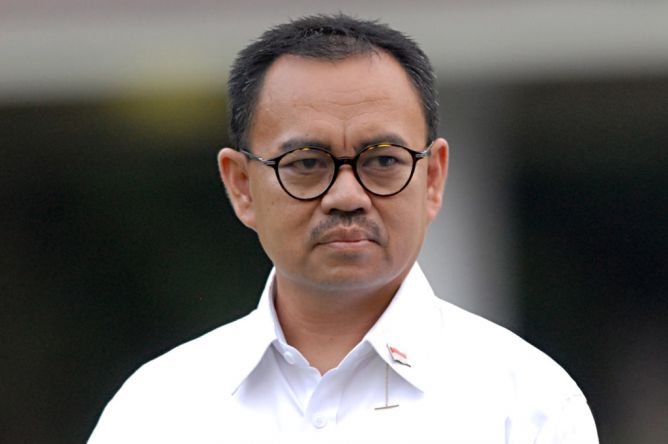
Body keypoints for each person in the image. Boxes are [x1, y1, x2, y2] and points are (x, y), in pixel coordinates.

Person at [89, 14, 598, 443]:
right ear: (241, 185)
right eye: (307, 163)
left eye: (383, 161)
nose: (347, 196)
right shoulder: (158, 410)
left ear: (433, 178)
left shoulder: (526, 403)